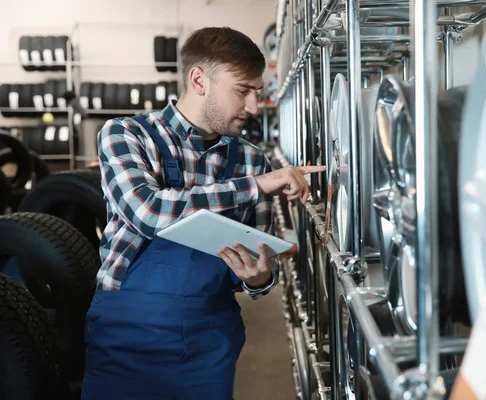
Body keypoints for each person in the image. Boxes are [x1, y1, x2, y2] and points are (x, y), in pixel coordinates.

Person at [81, 27, 325, 400]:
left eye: (256, 93)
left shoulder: (250, 159)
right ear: (199, 80)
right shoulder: (127, 135)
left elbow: (256, 266)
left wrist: (259, 278)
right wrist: (257, 185)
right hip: (128, 334)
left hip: (208, 340)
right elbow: (149, 212)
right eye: (242, 91)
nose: (253, 107)